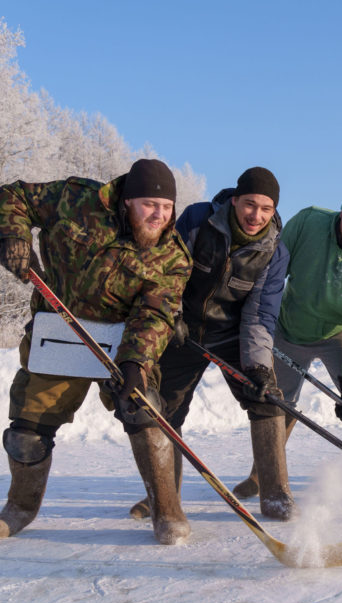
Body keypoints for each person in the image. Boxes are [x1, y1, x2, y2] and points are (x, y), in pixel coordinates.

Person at [0, 158, 193, 544]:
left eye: (166, 207)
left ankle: (166, 509)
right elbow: (12, 197)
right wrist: (12, 237)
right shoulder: (75, 200)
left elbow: (156, 313)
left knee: (144, 410)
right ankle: (20, 508)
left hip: (119, 344)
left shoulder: (173, 256)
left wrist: (136, 363)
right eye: (150, 204)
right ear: (127, 201)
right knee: (26, 434)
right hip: (59, 334)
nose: (159, 215)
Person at [127, 167, 294, 522]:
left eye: (266, 208)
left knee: (266, 398)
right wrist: (171, 315)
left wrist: (258, 366)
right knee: (164, 410)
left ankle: (276, 495)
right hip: (181, 330)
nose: (256, 215)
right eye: (250, 204)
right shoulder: (198, 221)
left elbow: (260, 314)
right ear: (235, 200)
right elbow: (168, 270)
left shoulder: (275, 252)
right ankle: (164, 496)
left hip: (232, 335)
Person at [233, 172, 342, 505]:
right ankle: (261, 476)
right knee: (273, 400)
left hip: (338, 333)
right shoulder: (309, 222)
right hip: (288, 326)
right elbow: (272, 271)